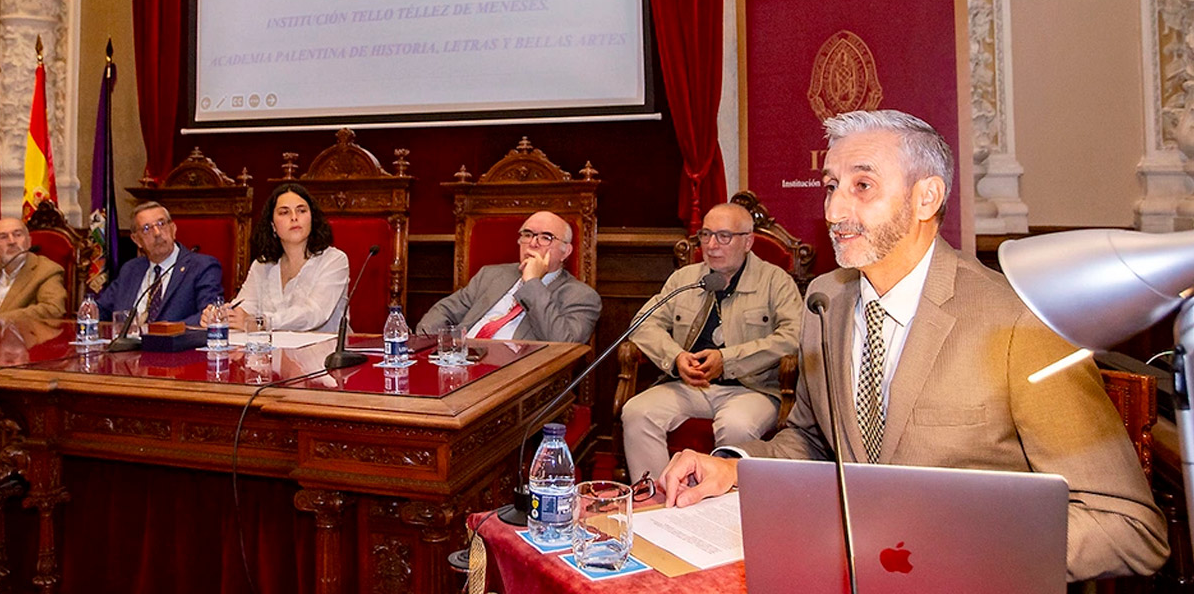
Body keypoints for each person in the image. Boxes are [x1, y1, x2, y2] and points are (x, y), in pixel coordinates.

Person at [658, 110, 1169, 582]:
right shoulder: (825, 300)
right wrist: (734, 466)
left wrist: (944, 550)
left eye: (862, 186)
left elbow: (1128, 529)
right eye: (831, 186)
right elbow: (814, 443)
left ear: (926, 197)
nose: (835, 209)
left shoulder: (1019, 322)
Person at [620, 202, 801, 482]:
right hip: (688, 385)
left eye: (724, 236)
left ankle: (724, 510)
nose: (712, 245)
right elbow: (643, 323)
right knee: (637, 412)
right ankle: (654, 503)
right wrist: (676, 358)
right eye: (706, 235)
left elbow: (794, 336)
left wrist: (728, 361)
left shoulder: (775, 281)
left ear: (748, 241)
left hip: (752, 389)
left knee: (736, 425)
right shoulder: (686, 278)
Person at [416, 211, 601, 343]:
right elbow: (444, 311)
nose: (533, 244)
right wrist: (428, 346)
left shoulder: (582, 297)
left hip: (515, 379)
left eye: (546, 237)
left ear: (565, 251)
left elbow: (563, 344)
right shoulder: (491, 275)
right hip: (460, 360)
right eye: (527, 235)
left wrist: (532, 283)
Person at [206, 182, 348, 333]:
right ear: (272, 225)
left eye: (301, 210)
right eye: (284, 212)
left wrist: (262, 322)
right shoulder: (262, 265)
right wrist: (223, 315)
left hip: (323, 352)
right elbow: (246, 307)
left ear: (312, 218)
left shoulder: (334, 260)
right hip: (271, 352)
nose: (294, 217)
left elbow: (314, 313)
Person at [97, 202, 223, 325]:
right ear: (136, 240)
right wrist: (88, 309)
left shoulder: (202, 266)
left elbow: (209, 315)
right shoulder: (131, 269)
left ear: (173, 229)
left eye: (161, 224)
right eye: (146, 229)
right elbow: (101, 310)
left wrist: (161, 331)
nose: (157, 233)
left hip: (174, 344)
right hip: (128, 343)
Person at [0, 217, 66, 323]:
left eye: (17, 235)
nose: (12, 241)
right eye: (3, 237)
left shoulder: (46, 270)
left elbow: (53, 310)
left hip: (17, 336)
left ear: (28, 242)